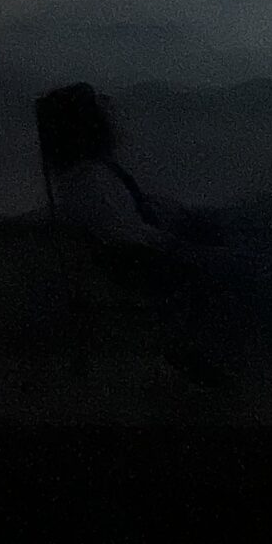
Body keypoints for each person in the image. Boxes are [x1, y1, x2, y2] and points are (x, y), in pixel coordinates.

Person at [34, 81, 243, 382]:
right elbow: (124, 233)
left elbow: (128, 214)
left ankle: (198, 359)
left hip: (135, 254)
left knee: (217, 246)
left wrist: (172, 217)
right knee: (225, 267)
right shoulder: (89, 181)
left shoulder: (90, 174)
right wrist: (172, 240)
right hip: (133, 263)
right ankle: (193, 362)